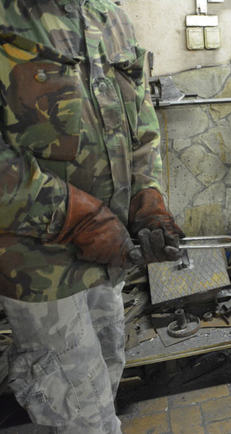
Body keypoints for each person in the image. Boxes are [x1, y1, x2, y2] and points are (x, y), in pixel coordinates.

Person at [0, 1, 184, 432]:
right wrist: (75, 217)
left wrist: (147, 197)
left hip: (106, 260)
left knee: (107, 370)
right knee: (81, 413)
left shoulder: (110, 17)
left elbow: (141, 122)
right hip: (41, 271)